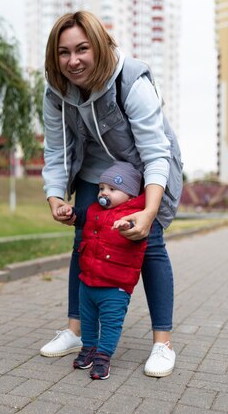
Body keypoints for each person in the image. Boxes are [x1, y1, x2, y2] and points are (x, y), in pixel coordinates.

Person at [39, 11, 183, 378]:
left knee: (148, 244)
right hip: (93, 171)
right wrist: (56, 197)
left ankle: (162, 343)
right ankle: (75, 332)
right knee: (83, 241)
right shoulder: (56, 93)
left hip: (138, 171)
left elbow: (155, 151)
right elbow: (56, 151)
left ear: (99, 46)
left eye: (82, 49)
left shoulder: (131, 81)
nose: (73, 61)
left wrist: (150, 212)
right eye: (64, 52)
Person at [56, 161, 147, 380]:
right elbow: (80, 217)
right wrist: (70, 212)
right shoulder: (94, 210)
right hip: (88, 281)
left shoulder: (135, 216)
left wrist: (128, 228)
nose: (104, 193)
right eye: (101, 188)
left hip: (115, 286)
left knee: (110, 323)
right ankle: (88, 349)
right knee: (87, 320)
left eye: (112, 189)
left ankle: (103, 357)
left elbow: (139, 235)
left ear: (130, 194)